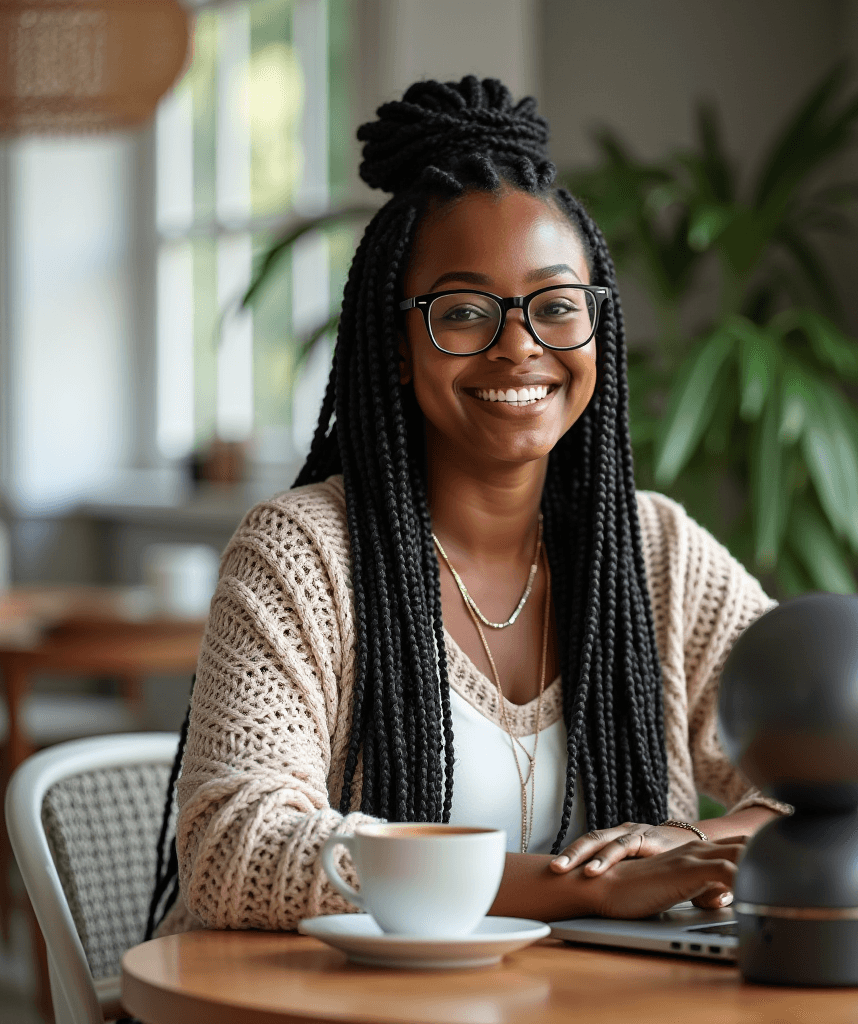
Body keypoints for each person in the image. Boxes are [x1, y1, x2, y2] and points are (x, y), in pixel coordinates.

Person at [149, 76, 789, 938]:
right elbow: (239, 848)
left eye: (558, 307)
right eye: (462, 312)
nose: (519, 345)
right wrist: (578, 890)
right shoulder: (302, 554)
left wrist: (686, 846)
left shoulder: (656, 551)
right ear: (398, 347)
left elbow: (833, 764)